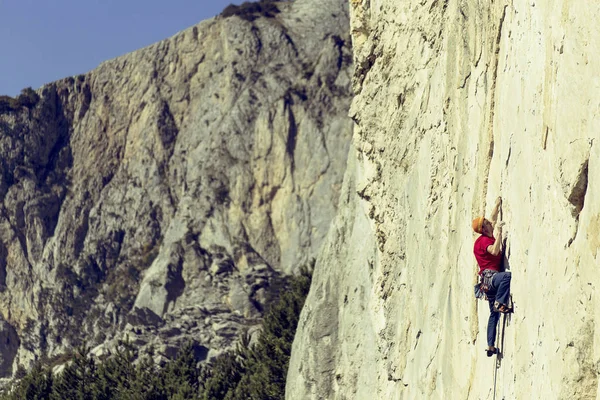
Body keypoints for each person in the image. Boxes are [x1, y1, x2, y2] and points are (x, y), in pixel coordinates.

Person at [472, 197, 511, 357]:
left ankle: (490, 346)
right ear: (484, 228)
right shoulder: (482, 242)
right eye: (487, 222)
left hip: (486, 283)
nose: (490, 222)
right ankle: (500, 303)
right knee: (506, 278)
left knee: (493, 314)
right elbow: (495, 251)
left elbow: (493, 219)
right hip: (491, 278)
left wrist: (497, 204)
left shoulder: (486, 235)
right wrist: (500, 233)